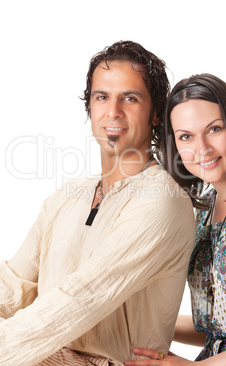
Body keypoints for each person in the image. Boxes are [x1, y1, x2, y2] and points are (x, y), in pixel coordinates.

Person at [0, 41, 196, 365]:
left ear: (156, 114)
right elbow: (14, 283)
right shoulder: (67, 196)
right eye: (102, 97)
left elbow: (83, 298)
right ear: (90, 107)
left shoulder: (163, 200)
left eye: (130, 98)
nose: (113, 111)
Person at [124, 74, 226, 365]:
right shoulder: (204, 211)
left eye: (214, 129)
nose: (202, 149)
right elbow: (224, 330)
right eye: (186, 136)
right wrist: (141, 324)